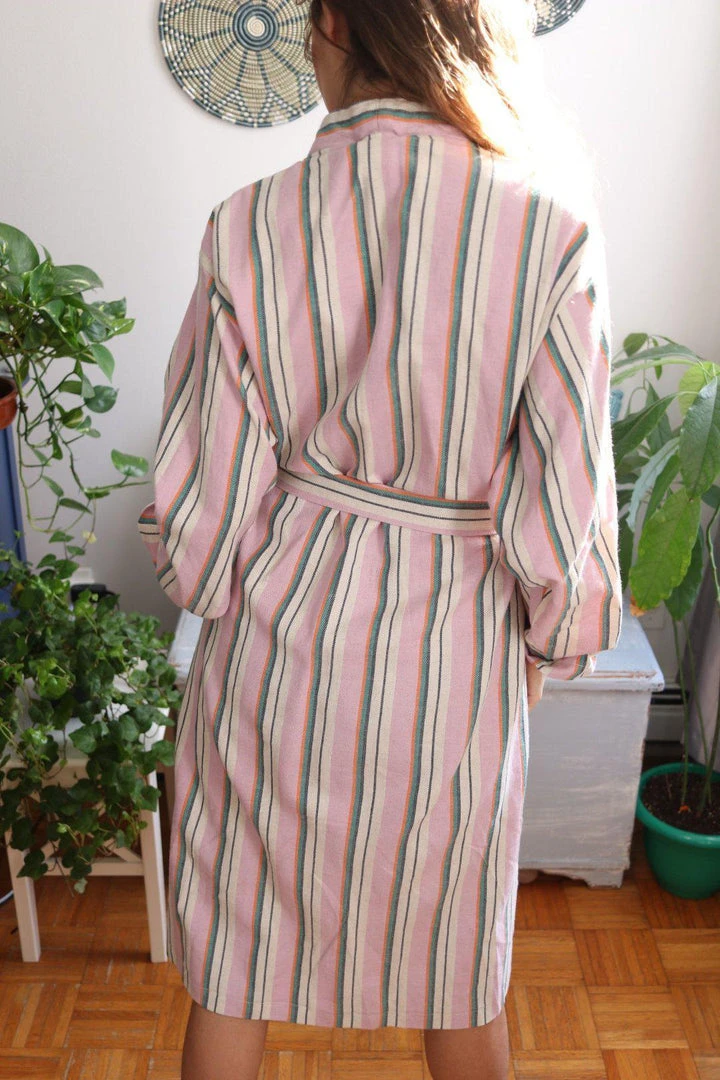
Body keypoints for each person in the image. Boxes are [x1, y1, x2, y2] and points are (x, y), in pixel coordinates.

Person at [137, 0, 623, 1077]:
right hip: (454, 654)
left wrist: (196, 570)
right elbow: (567, 495)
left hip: (277, 645)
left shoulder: (249, 221)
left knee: (236, 963)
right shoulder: (550, 227)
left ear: (337, 23)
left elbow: (202, 511)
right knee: (458, 968)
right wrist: (555, 643)